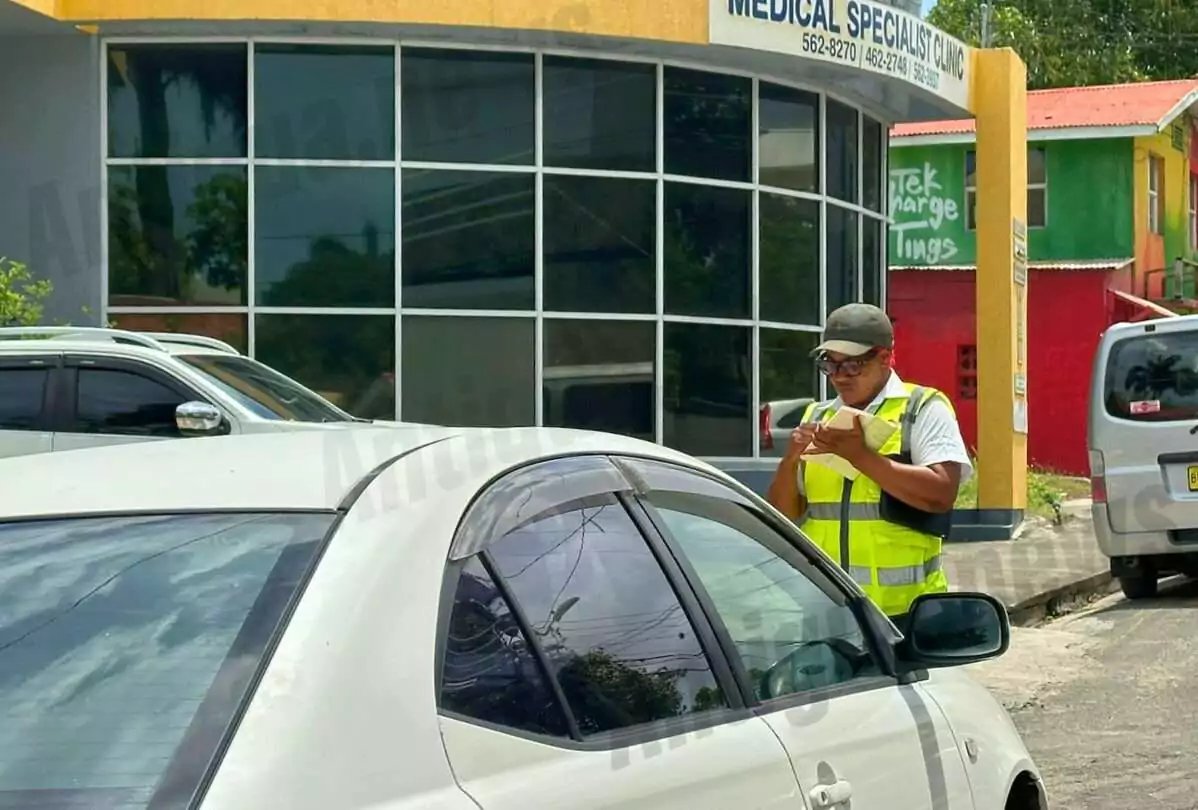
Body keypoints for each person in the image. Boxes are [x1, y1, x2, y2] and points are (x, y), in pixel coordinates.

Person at [766, 303, 972, 632]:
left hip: (905, 615)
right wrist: (791, 460)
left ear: (885, 358)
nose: (839, 376)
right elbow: (784, 515)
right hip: (827, 613)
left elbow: (941, 494)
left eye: (852, 365)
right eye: (830, 364)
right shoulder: (816, 417)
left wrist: (861, 457)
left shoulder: (922, 408)